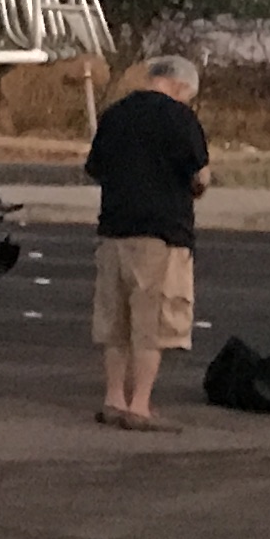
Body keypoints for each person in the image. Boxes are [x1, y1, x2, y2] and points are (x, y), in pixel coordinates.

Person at [83, 53, 212, 432]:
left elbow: (95, 168)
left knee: (115, 321)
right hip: (161, 231)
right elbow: (199, 176)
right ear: (179, 85)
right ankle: (140, 404)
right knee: (152, 322)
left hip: (113, 229)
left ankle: (113, 398)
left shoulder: (116, 114)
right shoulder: (180, 119)